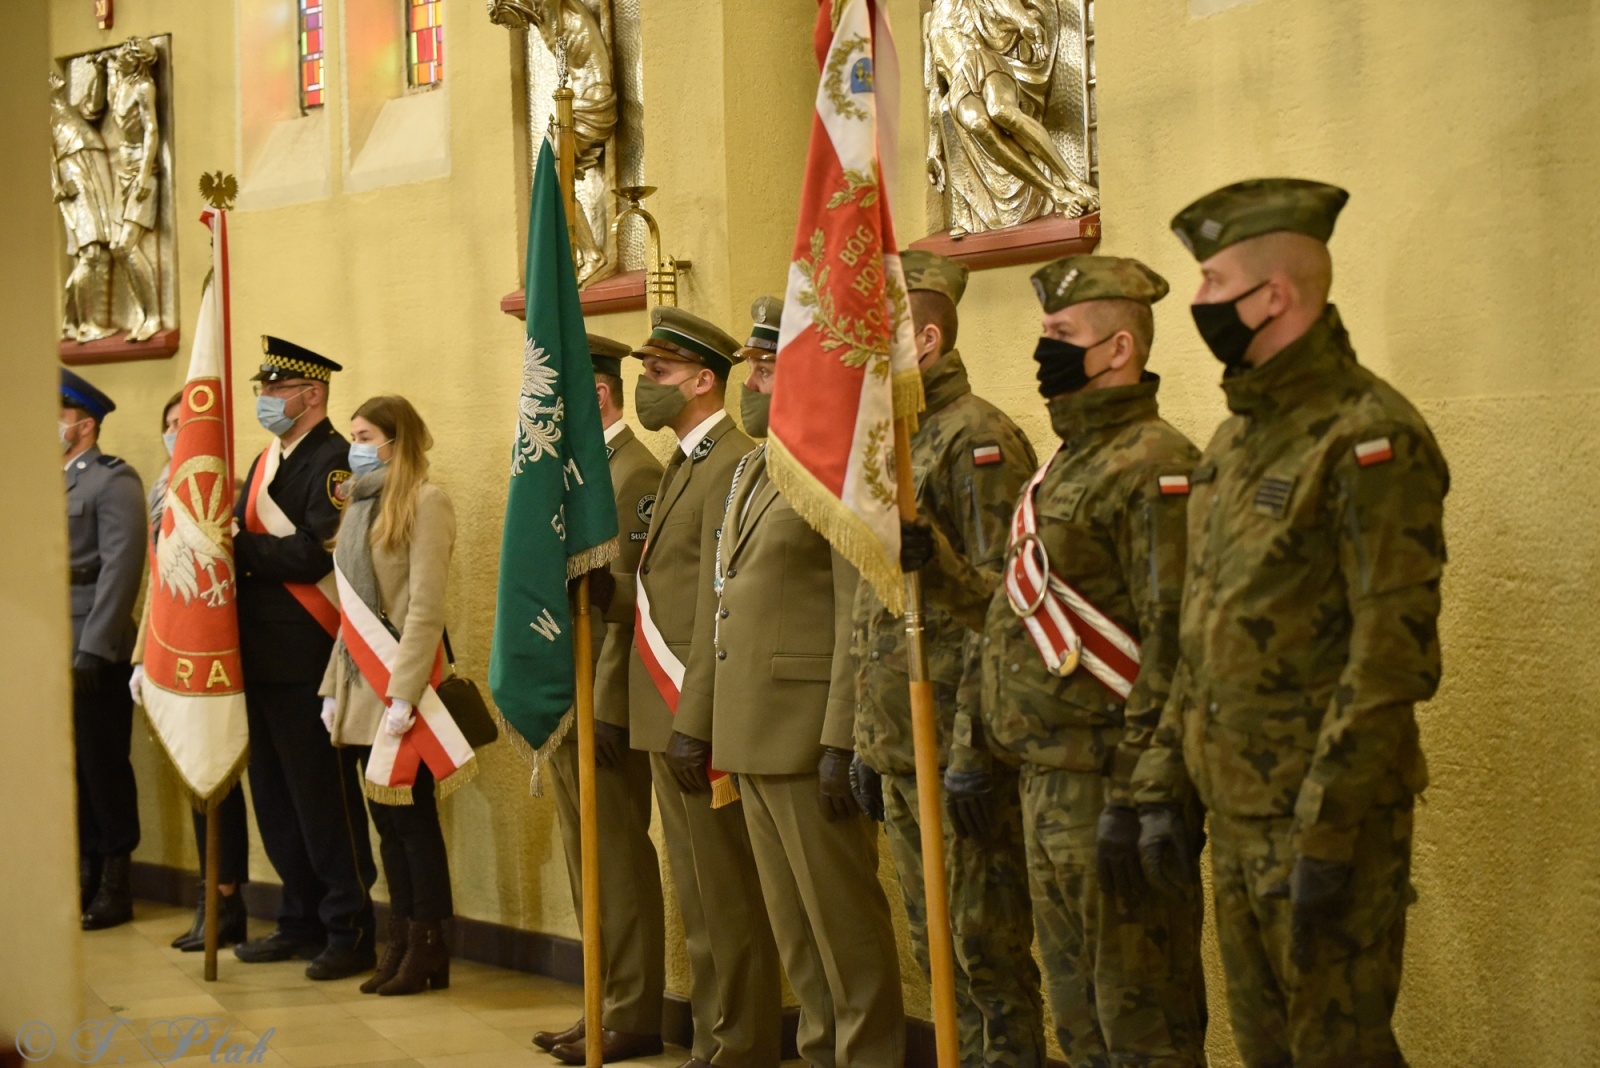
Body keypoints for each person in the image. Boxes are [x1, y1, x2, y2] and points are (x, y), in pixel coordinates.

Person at [1137, 179, 1449, 1068]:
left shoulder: (1369, 438)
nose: (1199, 299)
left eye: (1214, 281)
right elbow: (1200, 631)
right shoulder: (1236, 441)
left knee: (1337, 1048)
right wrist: (1165, 780)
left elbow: (1389, 661)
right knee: (1266, 1047)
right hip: (1237, 814)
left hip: (1322, 819)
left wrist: (1329, 832)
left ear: (1273, 296)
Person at [954, 256, 1206, 1065]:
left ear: (1119, 348)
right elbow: (1009, 615)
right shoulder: (1066, 463)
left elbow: (1174, 643)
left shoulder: (1156, 463)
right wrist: (973, 745)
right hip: (1044, 782)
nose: (1043, 352)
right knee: (1080, 1020)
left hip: (1110, 784)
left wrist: (1146, 795)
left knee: (1143, 1019)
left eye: (1061, 334)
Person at [850, 251, 1046, 1068]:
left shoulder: (978, 438)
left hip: (961, 748)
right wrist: (867, 738)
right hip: (902, 742)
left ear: (925, 341)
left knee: (983, 949)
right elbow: (878, 605)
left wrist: (972, 749)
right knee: (933, 947)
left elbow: (1004, 612)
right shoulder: (893, 440)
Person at [707, 297, 905, 1068]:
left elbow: (859, 609)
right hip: (752, 734)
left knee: (843, 930)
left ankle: (870, 1058)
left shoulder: (834, 470)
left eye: (765, 369)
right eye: (750, 370)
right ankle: (822, 1054)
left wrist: (840, 738)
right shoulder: (758, 466)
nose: (750, 385)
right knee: (797, 935)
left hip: (806, 735)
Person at [627, 307, 781, 1068]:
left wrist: (696, 716)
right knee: (696, 889)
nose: (646, 386)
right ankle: (715, 1036)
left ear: (700, 381)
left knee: (726, 892)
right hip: (668, 706)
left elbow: (717, 603)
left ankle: (741, 1041)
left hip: (700, 708)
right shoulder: (688, 462)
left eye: (659, 372)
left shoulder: (730, 464)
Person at [232, 337, 377, 980]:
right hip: (259, 655)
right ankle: (298, 919)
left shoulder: (334, 462)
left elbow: (315, 552)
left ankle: (350, 926)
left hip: (307, 655)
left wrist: (238, 547)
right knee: (276, 798)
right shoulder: (268, 460)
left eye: (275, 389)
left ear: (310, 394)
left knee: (322, 799)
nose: (264, 398)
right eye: (263, 388)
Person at [539, 337, 668, 1063]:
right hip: (570, 698)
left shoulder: (632, 473)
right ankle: (599, 1000)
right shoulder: (579, 474)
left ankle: (632, 1011)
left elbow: (631, 607)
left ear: (595, 395)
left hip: (605, 703)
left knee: (617, 860)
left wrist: (610, 707)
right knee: (584, 860)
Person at [318, 395, 456, 996]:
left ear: (397, 442)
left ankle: (428, 946)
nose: (355, 446)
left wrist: (403, 694)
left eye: (365, 436)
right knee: (386, 825)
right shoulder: (358, 505)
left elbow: (426, 605)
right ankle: (397, 939)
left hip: (403, 687)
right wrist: (331, 688)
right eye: (354, 435)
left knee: (414, 821)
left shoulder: (426, 502)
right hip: (359, 688)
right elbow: (349, 612)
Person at [131, 391, 250, 951]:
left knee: (218, 775)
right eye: (170, 423)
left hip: (216, 657)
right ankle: (211, 897)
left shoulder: (227, 492)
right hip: (172, 654)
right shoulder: (161, 494)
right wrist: (142, 659)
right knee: (195, 778)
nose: (177, 431)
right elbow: (160, 586)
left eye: (187, 422)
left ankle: (226, 898)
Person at [61, 368, 146, 931]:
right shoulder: (46, 480)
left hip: (94, 647)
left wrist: (95, 645)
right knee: (68, 769)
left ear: (84, 425)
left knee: (102, 765)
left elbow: (121, 567)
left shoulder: (112, 480)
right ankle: (84, 871)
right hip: (52, 646)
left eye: (58, 415)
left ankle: (116, 880)